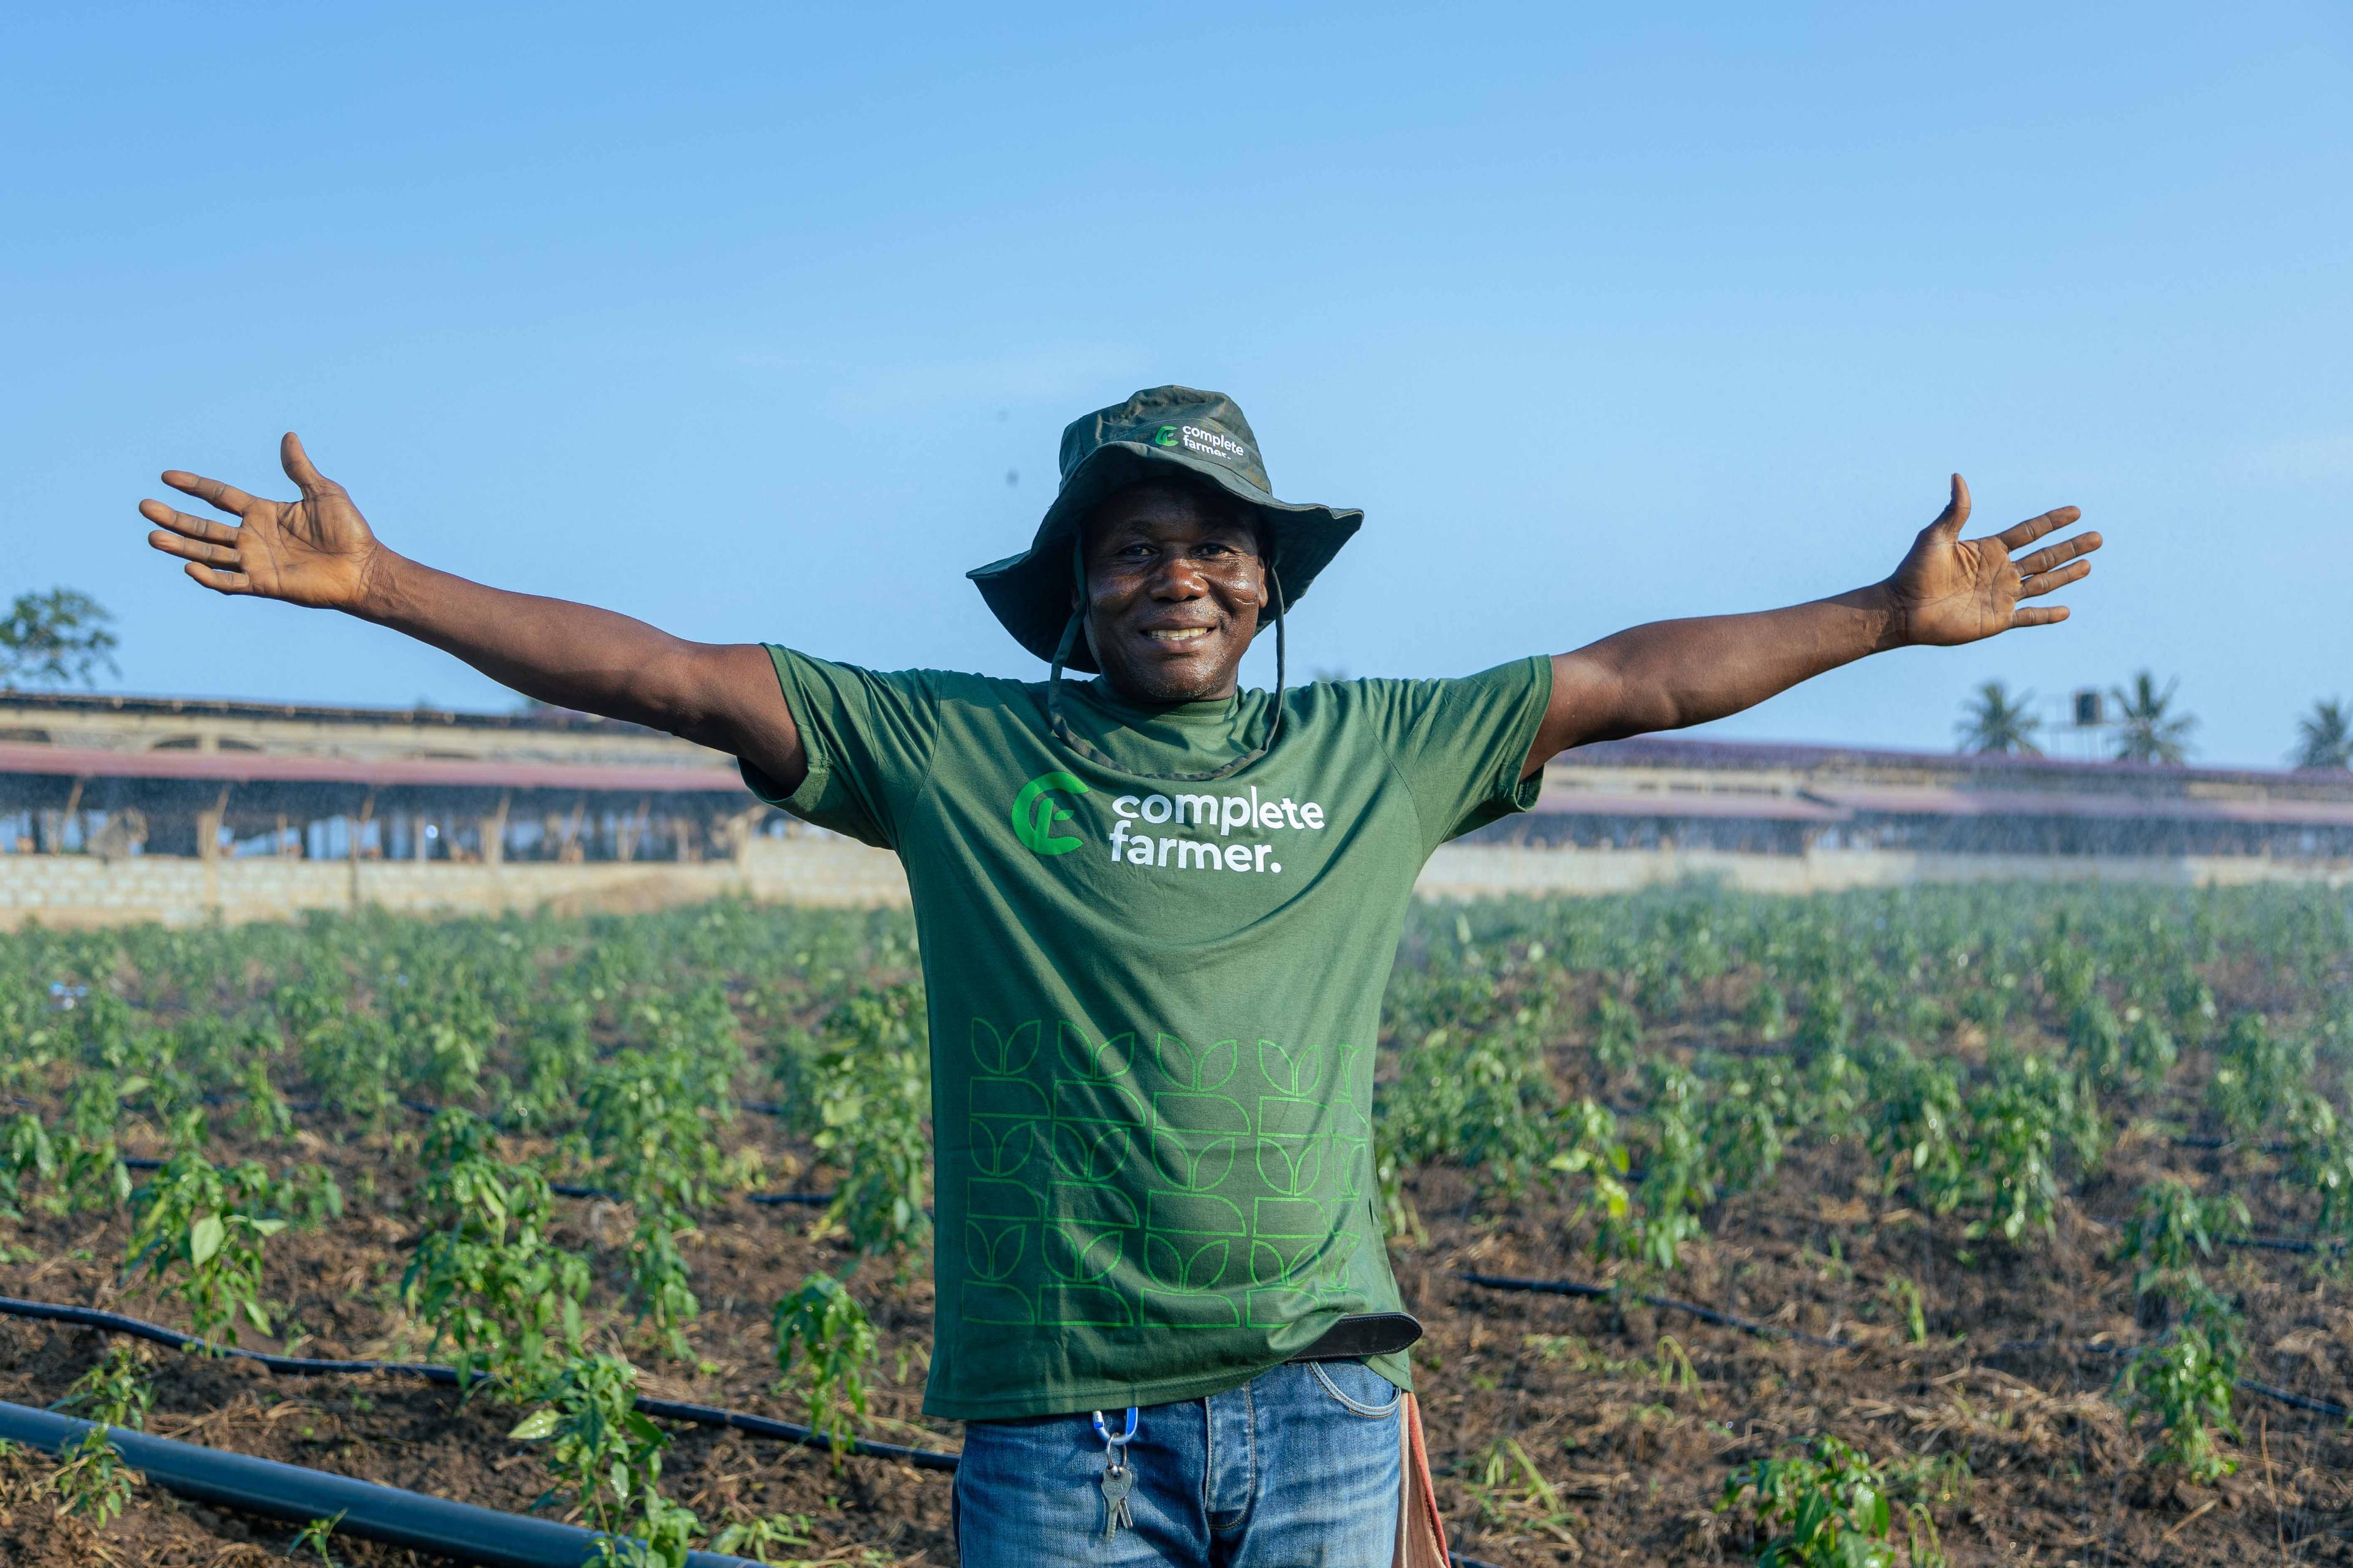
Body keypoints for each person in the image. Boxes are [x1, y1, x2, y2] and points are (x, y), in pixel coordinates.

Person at [140, 385, 2099, 1567]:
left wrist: (1878, 615)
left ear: (1267, 583)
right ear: (1075, 596)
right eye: (1136, 546)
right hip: (1064, 1427)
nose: (1181, 571)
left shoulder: (1378, 750)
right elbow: (661, 668)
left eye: (1216, 544)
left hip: (1326, 1408)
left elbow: (1631, 679)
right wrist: (385, 587)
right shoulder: (962, 752)